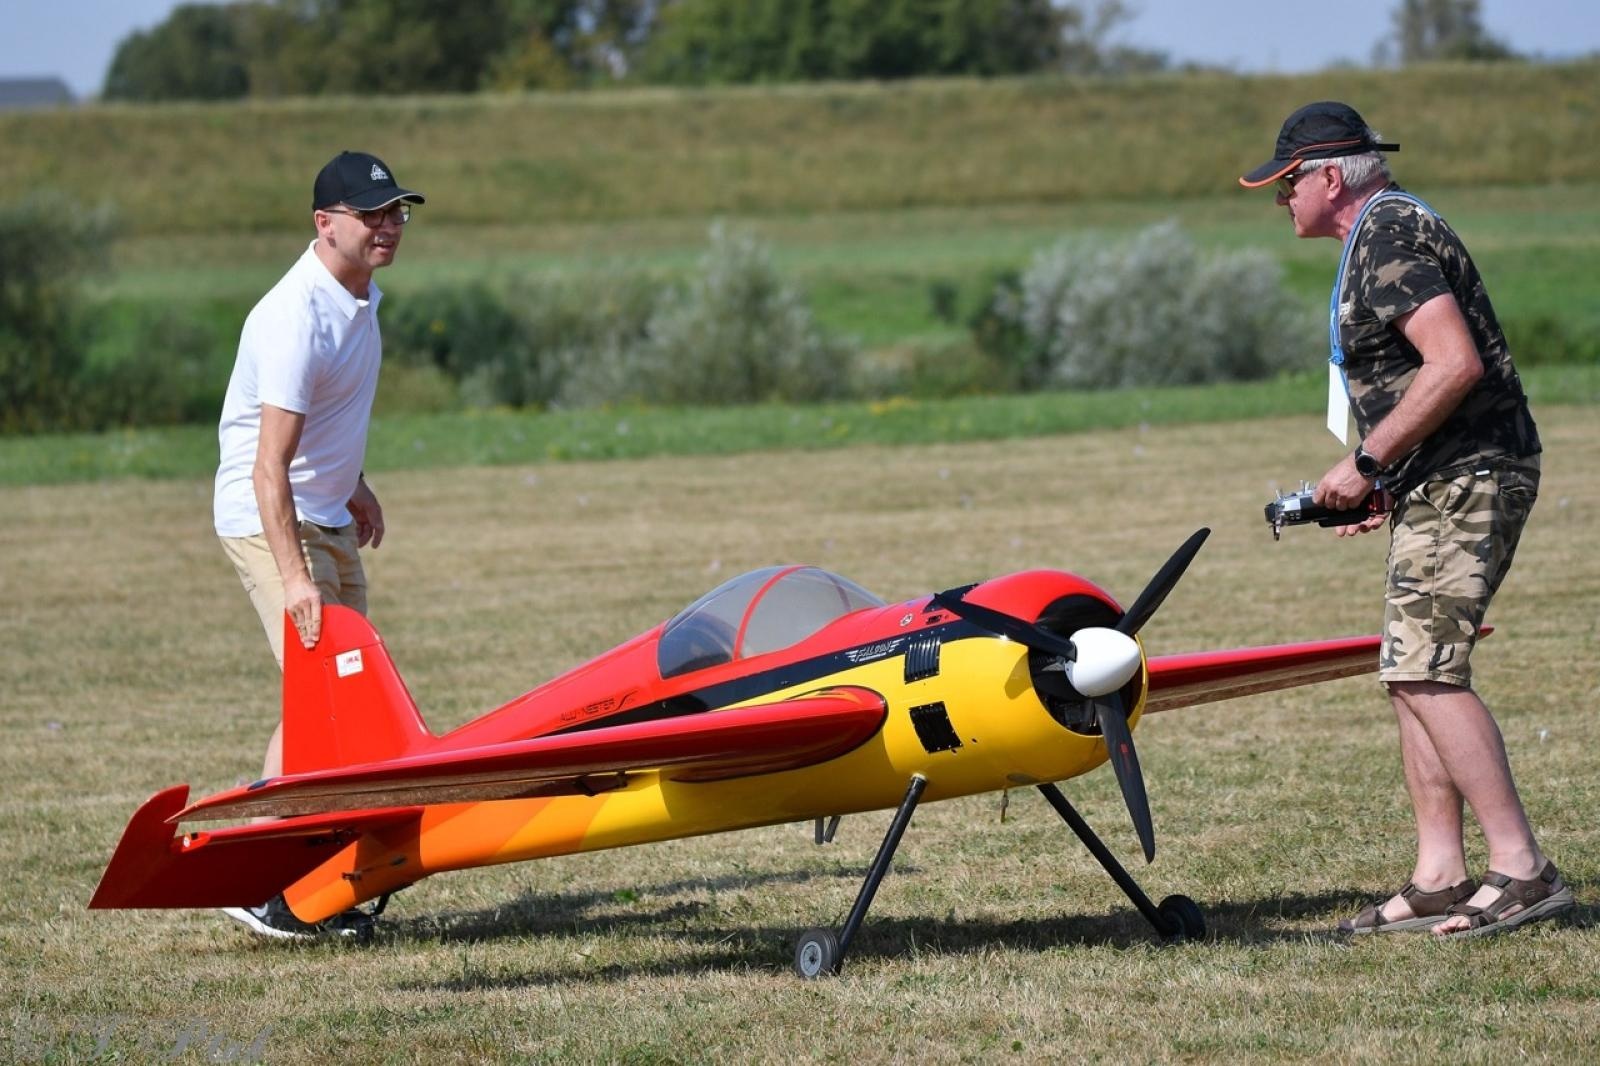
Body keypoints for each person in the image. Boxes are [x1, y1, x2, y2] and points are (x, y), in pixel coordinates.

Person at [1239, 102, 1571, 938]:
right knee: (1407, 669)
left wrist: (1365, 461)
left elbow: (1454, 363)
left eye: (1285, 182)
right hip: (1441, 476)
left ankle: (1523, 870)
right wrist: (1388, 479)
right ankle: (1439, 876)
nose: (1279, 199)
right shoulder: (1382, 233)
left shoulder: (1387, 234)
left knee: (1426, 669)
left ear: (1327, 177)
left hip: (1471, 474)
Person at [212, 150, 423, 939]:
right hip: (271, 518)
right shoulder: (295, 315)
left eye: (396, 211)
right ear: (324, 223)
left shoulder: (359, 297)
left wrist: (353, 483)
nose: (388, 226)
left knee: (345, 697)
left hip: (325, 511)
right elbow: (268, 467)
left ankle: (313, 877)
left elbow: (324, 420)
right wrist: (297, 579)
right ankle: (262, 879)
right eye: (371, 214)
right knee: (324, 695)